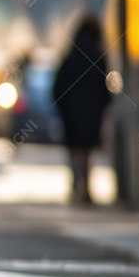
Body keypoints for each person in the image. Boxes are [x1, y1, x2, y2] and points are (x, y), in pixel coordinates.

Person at [52, 13, 111, 205]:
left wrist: (63, 107)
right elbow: (104, 88)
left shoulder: (70, 57)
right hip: (92, 112)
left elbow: (58, 87)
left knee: (75, 150)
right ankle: (85, 188)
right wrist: (103, 106)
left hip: (71, 112)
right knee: (87, 151)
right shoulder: (99, 57)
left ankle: (76, 185)